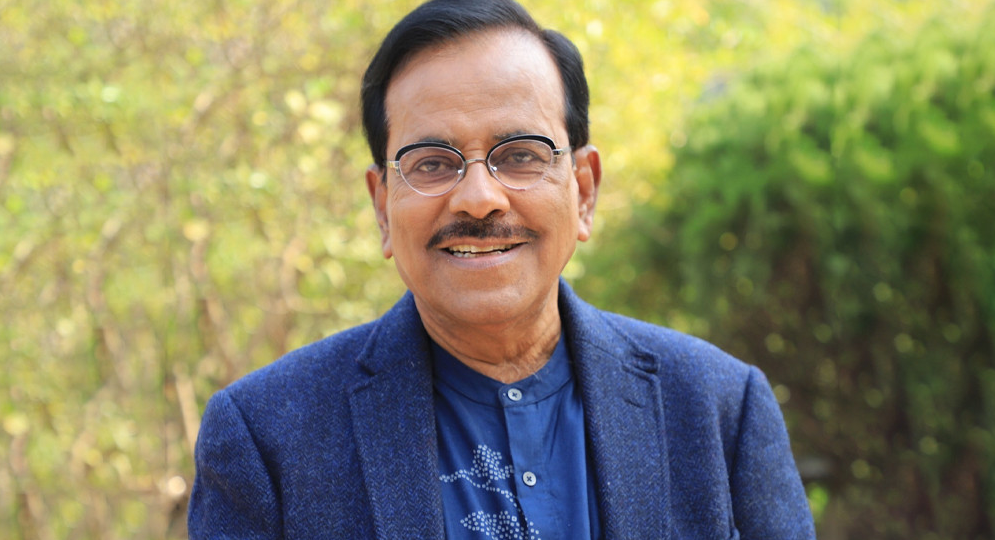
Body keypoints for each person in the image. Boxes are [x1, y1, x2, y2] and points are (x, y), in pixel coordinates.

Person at [187, 0, 816, 538]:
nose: (479, 198)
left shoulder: (719, 410)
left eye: (519, 155)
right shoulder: (267, 438)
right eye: (433, 163)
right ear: (382, 207)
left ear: (584, 190)